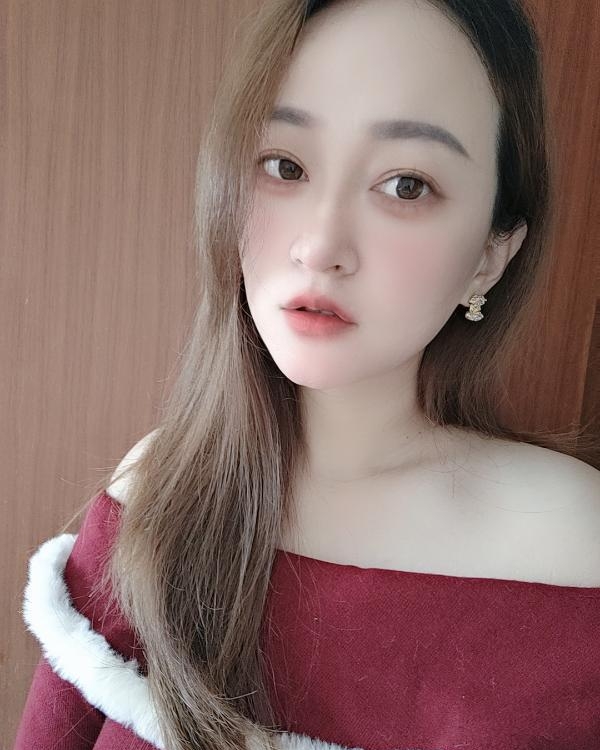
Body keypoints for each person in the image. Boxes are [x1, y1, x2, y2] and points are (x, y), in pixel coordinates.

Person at [14, 0, 600, 749]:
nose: (320, 246)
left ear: (491, 255)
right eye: (284, 166)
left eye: (407, 185)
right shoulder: (159, 498)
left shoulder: (571, 552)